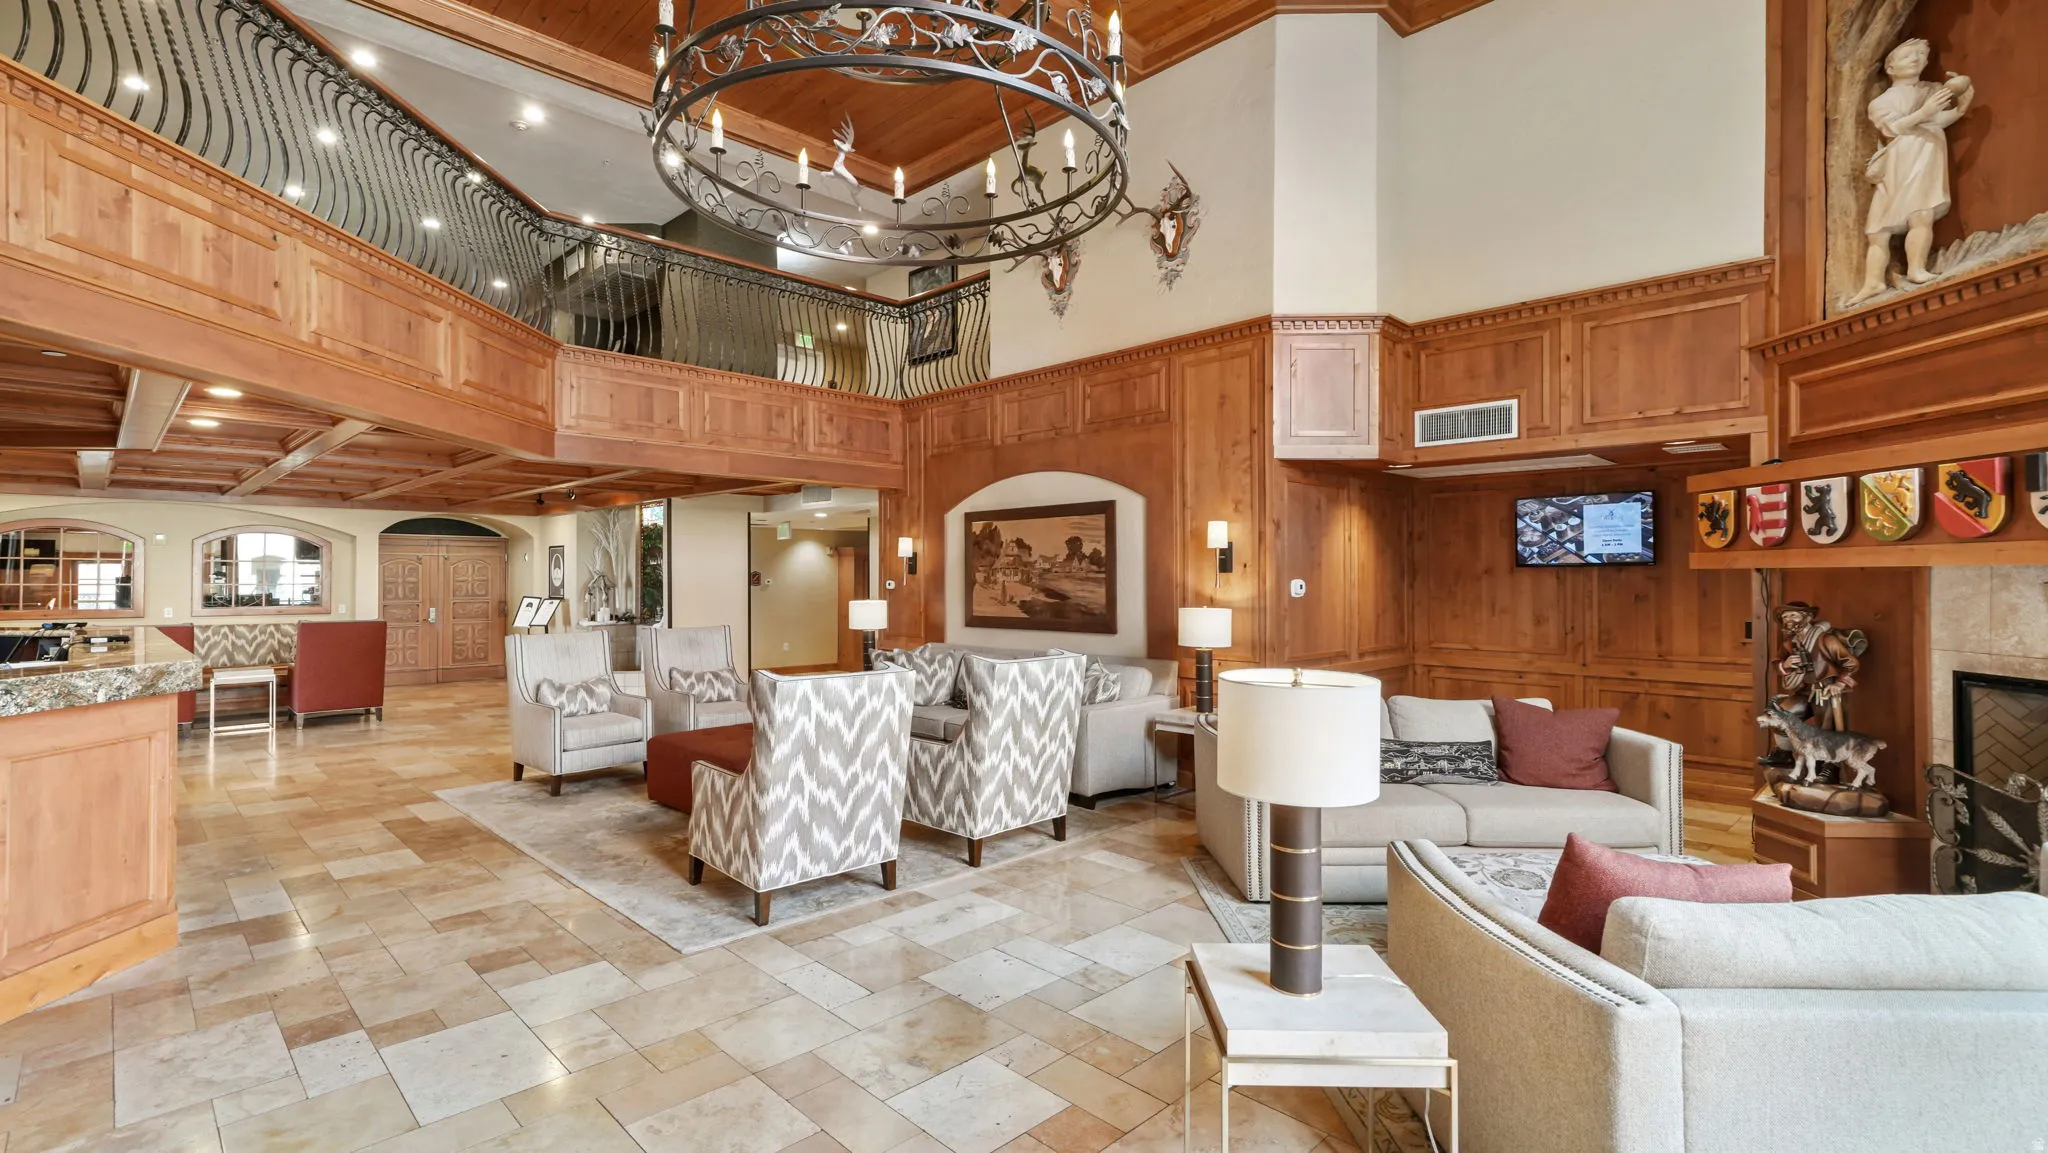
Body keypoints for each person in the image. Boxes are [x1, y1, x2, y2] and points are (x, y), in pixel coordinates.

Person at [1846, 39, 1974, 306]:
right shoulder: (1882, 102)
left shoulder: (1931, 90)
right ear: (1891, 66)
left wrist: (1960, 107)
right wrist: (1924, 112)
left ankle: (1916, 269)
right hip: (1898, 161)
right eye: (1907, 56)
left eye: (1920, 56)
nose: (1915, 60)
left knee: (1921, 213)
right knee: (1878, 229)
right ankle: (1873, 282)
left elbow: (1939, 119)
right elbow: (1893, 128)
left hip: (1925, 154)